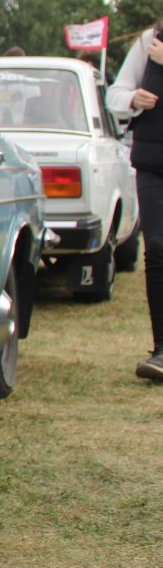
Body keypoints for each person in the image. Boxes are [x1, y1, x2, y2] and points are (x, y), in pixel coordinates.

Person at [107, 22, 163, 380]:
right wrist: (132, 99)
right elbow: (116, 94)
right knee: (156, 245)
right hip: (152, 161)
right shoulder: (151, 39)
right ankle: (161, 350)